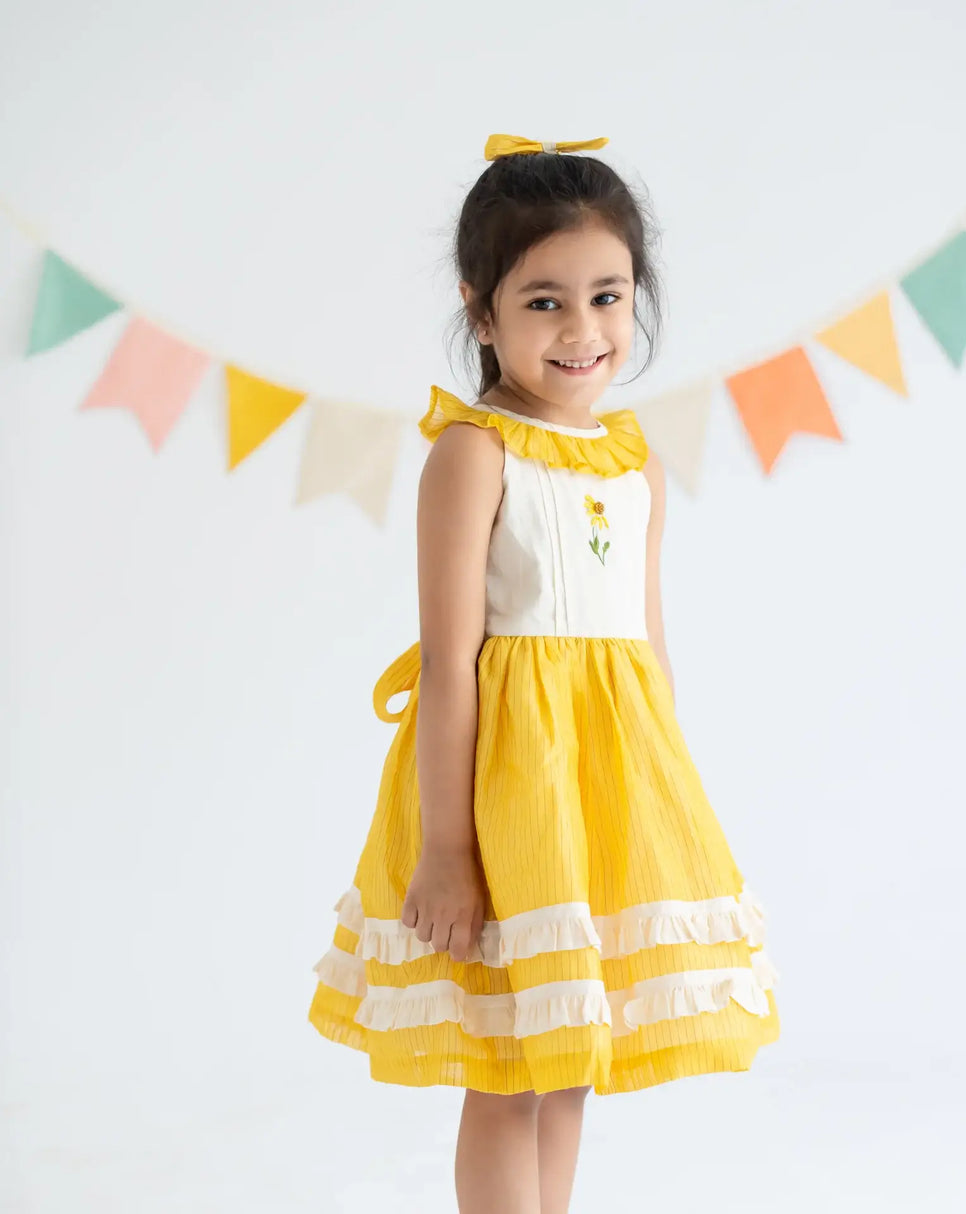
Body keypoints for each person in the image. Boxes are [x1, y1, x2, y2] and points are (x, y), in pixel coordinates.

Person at [308, 132, 780, 1214]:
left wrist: (664, 803)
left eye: (607, 296)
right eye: (543, 302)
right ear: (480, 311)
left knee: (572, 1056)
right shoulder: (473, 453)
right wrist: (444, 848)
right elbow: (447, 662)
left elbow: (646, 652)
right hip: (502, 793)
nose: (582, 330)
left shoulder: (633, 460)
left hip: (606, 796)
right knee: (505, 1063)